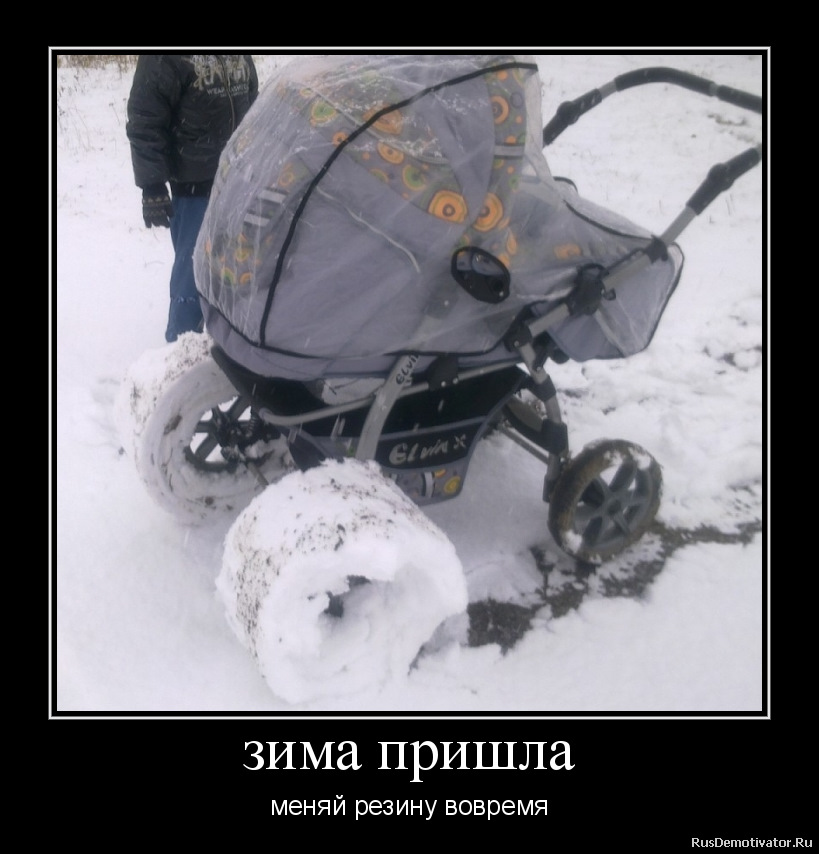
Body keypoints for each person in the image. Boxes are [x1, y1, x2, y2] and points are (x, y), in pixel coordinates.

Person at [126, 54, 259, 342]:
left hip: (238, 177)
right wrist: (153, 185)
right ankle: (183, 345)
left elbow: (251, 99)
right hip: (193, 186)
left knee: (237, 266)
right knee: (194, 270)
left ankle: (231, 341)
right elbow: (145, 119)